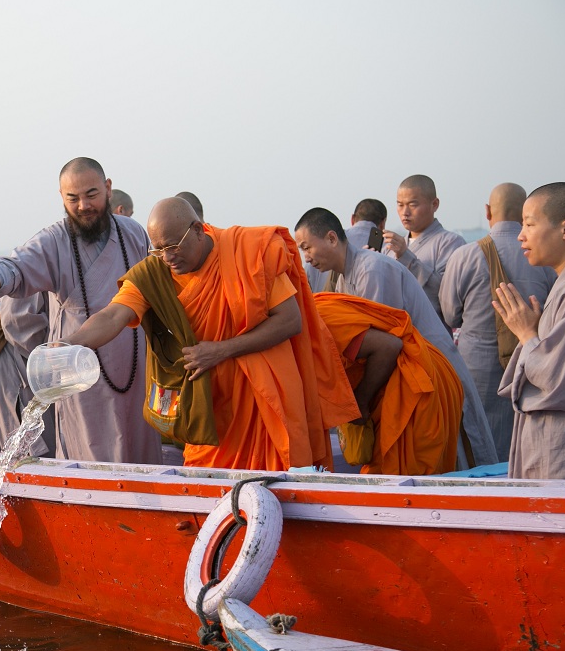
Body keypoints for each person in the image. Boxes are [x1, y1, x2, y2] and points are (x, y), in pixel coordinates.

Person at [62, 197, 358, 470]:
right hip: (209, 412)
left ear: (198, 230)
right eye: (158, 249)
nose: (167, 257)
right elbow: (113, 315)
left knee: (278, 499)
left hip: (264, 405)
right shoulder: (154, 275)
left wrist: (221, 349)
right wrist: (67, 345)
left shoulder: (248, 252)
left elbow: (290, 321)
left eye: (173, 246)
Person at [0, 157, 164, 466]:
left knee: (141, 454)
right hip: (81, 370)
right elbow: (13, 267)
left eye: (91, 194)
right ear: (61, 197)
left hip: (135, 369)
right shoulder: (54, 240)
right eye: (73, 198)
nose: (83, 205)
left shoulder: (133, 233)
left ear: (108, 188)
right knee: (91, 458)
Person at [294, 207, 500, 469]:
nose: (307, 258)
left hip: (430, 372)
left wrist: (361, 399)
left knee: (447, 461)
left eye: (307, 247)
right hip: (409, 376)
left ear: (332, 239)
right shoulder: (345, 278)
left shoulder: (372, 269)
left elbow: (384, 344)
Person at [440, 183, 556, 461]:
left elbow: (449, 315)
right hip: (531, 367)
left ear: (488, 212)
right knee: (521, 442)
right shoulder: (545, 258)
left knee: (477, 442)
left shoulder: (464, 255)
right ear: (524, 214)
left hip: (475, 368)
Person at [494, 182, 565, 480]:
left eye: (529, 224)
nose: (521, 235)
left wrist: (527, 334)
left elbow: (560, 384)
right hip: (555, 444)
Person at [314, 293, 463, 476]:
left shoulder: (316, 319)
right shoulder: (309, 314)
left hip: (417, 384)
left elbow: (389, 346)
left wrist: (360, 401)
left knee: (400, 480)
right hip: (418, 377)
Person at [0, 292, 56, 457]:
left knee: (6, 456)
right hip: (18, 373)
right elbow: (18, 322)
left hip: (2, 369)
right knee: (26, 457)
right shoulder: (28, 270)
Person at [383, 175, 465, 320]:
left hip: (428, 337)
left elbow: (447, 297)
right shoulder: (390, 247)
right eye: (400, 205)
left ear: (434, 204)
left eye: (413, 205)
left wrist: (406, 257)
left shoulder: (451, 243)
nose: (405, 212)